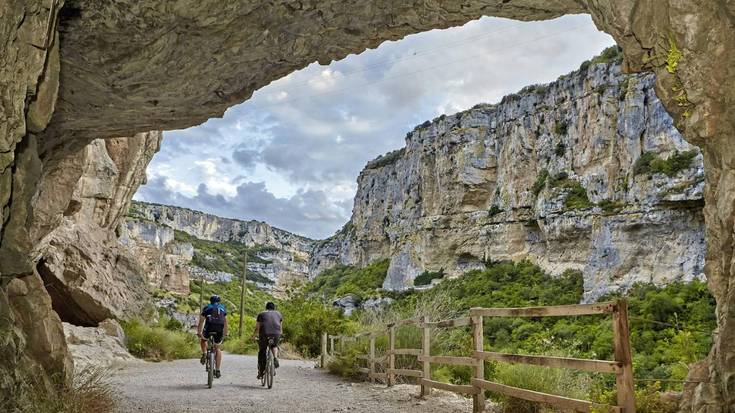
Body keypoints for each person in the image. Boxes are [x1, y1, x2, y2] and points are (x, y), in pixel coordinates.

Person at [197, 294, 228, 379]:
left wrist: (199, 332)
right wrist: (226, 332)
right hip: (219, 329)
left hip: (209, 328)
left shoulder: (207, 307)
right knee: (217, 348)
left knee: (203, 340)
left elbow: (201, 321)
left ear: (210, 301)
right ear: (219, 301)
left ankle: (204, 354)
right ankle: (217, 370)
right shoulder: (222, 308)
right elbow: (225, 322)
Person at [252, 301, 283, 379]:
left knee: (262, 351)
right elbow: (280, 328)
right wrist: (280, 335)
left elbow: (257, 328)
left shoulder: (261, 314)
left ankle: (261, 372)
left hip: (264, 334)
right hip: (276, 334)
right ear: (274, 308)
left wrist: (254, 336)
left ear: (266, 307)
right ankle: (275, 358)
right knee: (274, 345)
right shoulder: (279, 314)